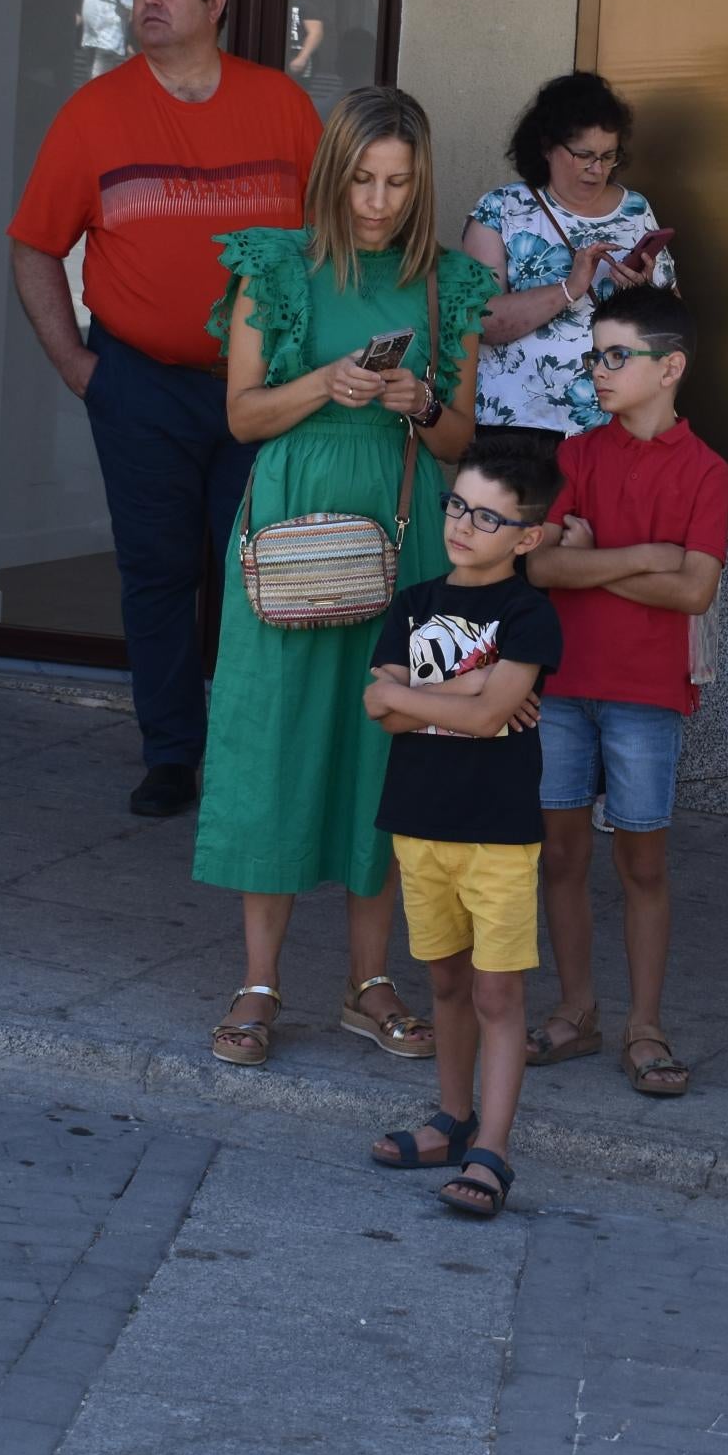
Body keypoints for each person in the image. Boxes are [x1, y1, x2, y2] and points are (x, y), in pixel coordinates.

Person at [193, 86, 497, 1070]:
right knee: (273, 741)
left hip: (402, 528)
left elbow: (462, 435)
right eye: (363, 178)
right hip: (288, 525)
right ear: (333, 173)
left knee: (386, 751)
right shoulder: (275, 267)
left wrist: (415, 400)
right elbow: (240, 416)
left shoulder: (450, 284)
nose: (378, 200)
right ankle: (258, 982)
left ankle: (371, 983)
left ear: (421, 182)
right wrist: (326, 381)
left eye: (399, 182)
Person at [10, 0, 321, 819]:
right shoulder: (94, 112)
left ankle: (251, 742)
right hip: (139, 381)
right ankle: (172, 753)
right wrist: (77, 364)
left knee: (254, 570)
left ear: (216, 4)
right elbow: (34, 244)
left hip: (262, 389)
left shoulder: (282, 105)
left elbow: (335, 237)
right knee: (156, 572)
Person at [518, 286, 728, 1096]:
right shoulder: (576, 455)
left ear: (669, 366)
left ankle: (646, 1026)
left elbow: (696, 592)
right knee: (561, 854)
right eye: (593, 355)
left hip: (648, 692)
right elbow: (542, 566)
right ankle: (578, 1011)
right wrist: (649, 556)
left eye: (616, 356)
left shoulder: (705, 469)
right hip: (566, 685)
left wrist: (599, 557)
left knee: (643, 862)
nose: (598, 371)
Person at [363, 439, 566, 1221]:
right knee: (444, 981)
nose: (463, 525)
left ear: (527, 537)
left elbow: (482, 722)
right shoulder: (413, 602)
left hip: (497, 834)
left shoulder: (528, 615)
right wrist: (469, 683)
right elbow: (376, 709)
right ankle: (451, 1120)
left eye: (488, 517)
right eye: (457, 507)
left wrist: (423, 694)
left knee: (495, 992)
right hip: (418, 823)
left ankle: (495, 1148)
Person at [461, 73, 675, 440]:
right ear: (546, 146)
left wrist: (641, 297)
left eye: (609, 156)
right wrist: (568, 288)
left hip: (615, 426)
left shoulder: (636, 210)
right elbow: (479, 323)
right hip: (518, 426)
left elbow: (674, 327)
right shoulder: (502, 210)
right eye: (584, 155)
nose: (598, 169)